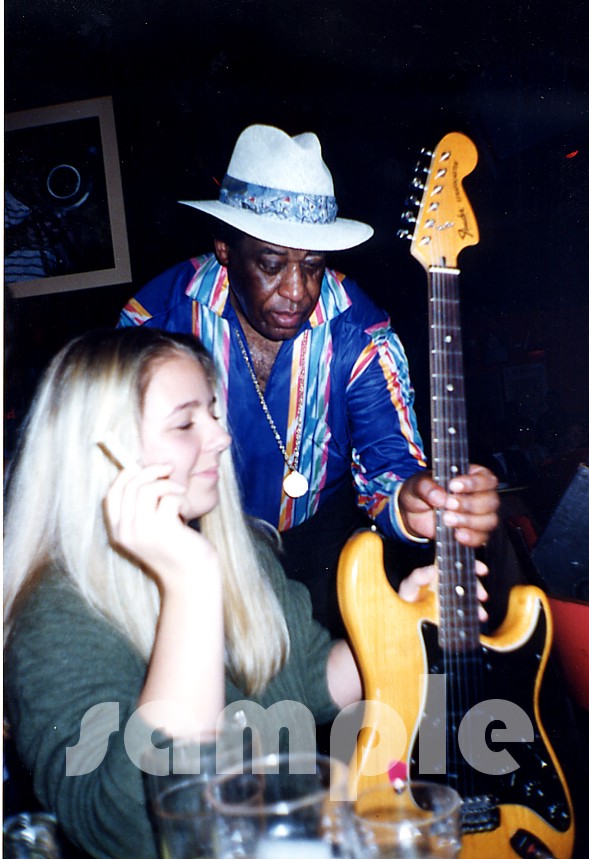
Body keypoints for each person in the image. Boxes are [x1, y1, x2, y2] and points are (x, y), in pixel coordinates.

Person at [4, 327, 490, 859]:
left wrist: (401, 627)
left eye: (213, 413)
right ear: (104, 452)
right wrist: (190, 583)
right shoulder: (51, 615)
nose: (220, 436)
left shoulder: (239, 551)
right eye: (185, 423)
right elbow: (138, 825)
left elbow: (305, 681)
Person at [119, 123, 499, 635]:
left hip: (317, 545)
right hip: (186, 539)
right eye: (272, 264)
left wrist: (413, 502)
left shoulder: (360, 332)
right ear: (225, 248)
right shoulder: (155, 320)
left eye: (314, 265)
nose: (296, 291)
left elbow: (390, 467)